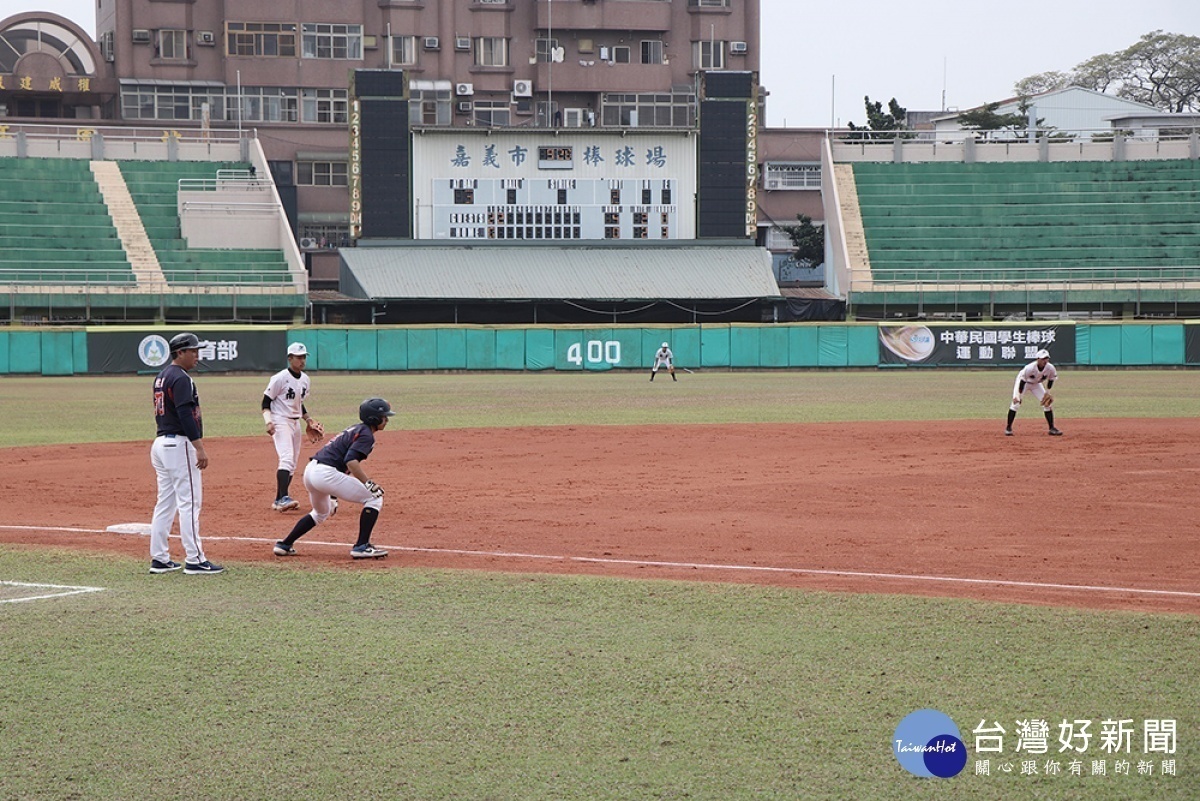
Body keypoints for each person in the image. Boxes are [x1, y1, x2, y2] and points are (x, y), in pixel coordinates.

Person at [273, 397, 395, 560]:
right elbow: (350, 461)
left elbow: (340, 461)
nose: (386, 420)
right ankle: (361, 546)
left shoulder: (356, 429)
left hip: (311, 472)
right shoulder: (366, 435)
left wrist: (333, 495)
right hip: (325, 474)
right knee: (374, 498)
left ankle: (284, 544)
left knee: (320, 513)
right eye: (384, 417)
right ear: (374, 418)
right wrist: (368, 483)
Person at [149, 332, 224, 575]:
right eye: (193, 351)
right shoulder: (181, 378)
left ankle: (159, 558)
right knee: (190, 503)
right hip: (179, 445)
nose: (197, 356)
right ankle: (195, 559)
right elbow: (184, 414)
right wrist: (199, 447)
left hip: (161, 444)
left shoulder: (162, 376)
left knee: (166, 503)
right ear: (180, 352)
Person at [262, 342, 324, 511]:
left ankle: (278, 499)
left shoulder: (305, 379)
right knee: (287, 458)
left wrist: (309, 420)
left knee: (293, 462)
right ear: (290, 358)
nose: (302, 360)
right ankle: (282, 498)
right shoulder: (280, 378)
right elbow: (266, 401)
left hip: (295, 422)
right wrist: (268, 421)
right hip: (279, 420)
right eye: (298, 357)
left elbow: (299, 403)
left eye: (304, 357)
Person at [1006, 348, 1062, 436]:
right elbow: (1022, 382)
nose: (1045, 361)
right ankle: (1008, 428)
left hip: (1036, 384)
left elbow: (1051, 380)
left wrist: (1047, 393)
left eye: (1046, 358)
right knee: (1016, 403)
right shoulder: (1029, 368)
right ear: (1038, 359)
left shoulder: (1050, 368)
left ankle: (1052, 428)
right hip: (1023, 382)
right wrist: (1018, 395)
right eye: (1043, 359)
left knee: (1047, 403)